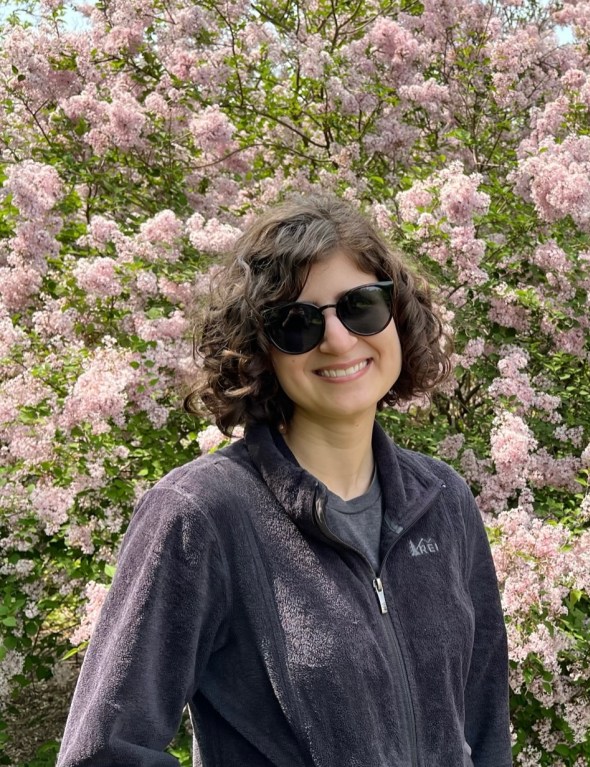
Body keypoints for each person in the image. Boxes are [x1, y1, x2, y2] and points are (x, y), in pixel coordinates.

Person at [56, 195, 512, 767]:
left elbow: (486, 730)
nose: (339, 340)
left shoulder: (442, 500)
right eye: (295, 323)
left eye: (362, 306)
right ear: (258, 350)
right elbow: (104, 753)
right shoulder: (201, 514)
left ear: (396, 314)